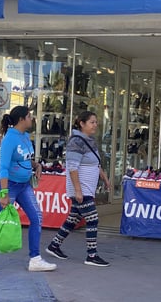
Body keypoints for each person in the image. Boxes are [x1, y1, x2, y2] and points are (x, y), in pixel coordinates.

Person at [0, 106, 56, 272]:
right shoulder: (10, 139)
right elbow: (3, 168)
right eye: (29, 116)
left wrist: (36, 165)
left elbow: (24, 159)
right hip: (9, 186)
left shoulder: (25, 136)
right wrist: (3, 193)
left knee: (37, 217)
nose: (32, 118)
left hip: (24, 185)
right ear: (21, 120)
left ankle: (35, 259)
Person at [45, 111, 111, 267]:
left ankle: (54, 245)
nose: (95, 125)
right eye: (92, 122)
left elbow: (95, 163)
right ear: (82, 123)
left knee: (73, 218)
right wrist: (78, 190)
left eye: (96, 122)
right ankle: (92, 255)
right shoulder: (76, 142)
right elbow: (72, 168)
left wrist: (105, 178)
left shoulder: (90, 141)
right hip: (81, 189)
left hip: (86, 188)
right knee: (92, 219)